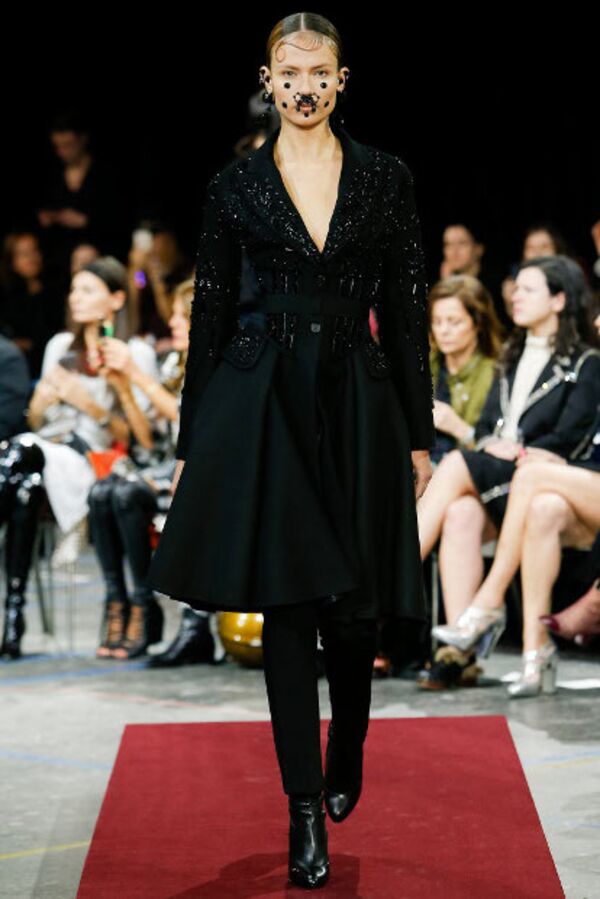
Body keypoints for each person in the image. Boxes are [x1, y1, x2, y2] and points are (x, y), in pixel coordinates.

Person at [146, 13, 434, 890]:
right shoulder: (235, 186)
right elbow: (209, 315)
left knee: (354, 610)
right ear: (267, 80)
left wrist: (419, 433)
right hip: (261, 400)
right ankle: (302, 805)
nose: (304, 87)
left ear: (342, 80)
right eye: (289, 71)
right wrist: (193, 439)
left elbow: (408, 308)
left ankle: (349, 738)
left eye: (319, 72)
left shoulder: (385, 177)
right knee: (288, 603)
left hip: (358, 398)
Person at [417, 256, 600, 689]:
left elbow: (566, 442)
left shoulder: (585, 362)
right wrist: (490, 444)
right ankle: (483, 653)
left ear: (558, 300)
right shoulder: (511, 355)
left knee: (478, 470)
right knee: (464, 512)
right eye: (516, 288)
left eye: (528, 289)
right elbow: (486, 428)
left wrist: (510, 450)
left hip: (549, 474)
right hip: (519, 479)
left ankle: (417, 587)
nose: (515, 296)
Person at [0, 257, 159, 659]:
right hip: (47, 452)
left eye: (87, 290)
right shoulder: (59, 346)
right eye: (74, 289)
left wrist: (88, 403)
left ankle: (17, 615)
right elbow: (36, 420)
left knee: (17, 453)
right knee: (25, 482)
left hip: (95, 457)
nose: (75, 298)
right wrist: (43, 397)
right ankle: (14, 616)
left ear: (116, 299)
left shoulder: (133, 352)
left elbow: (139, 439)